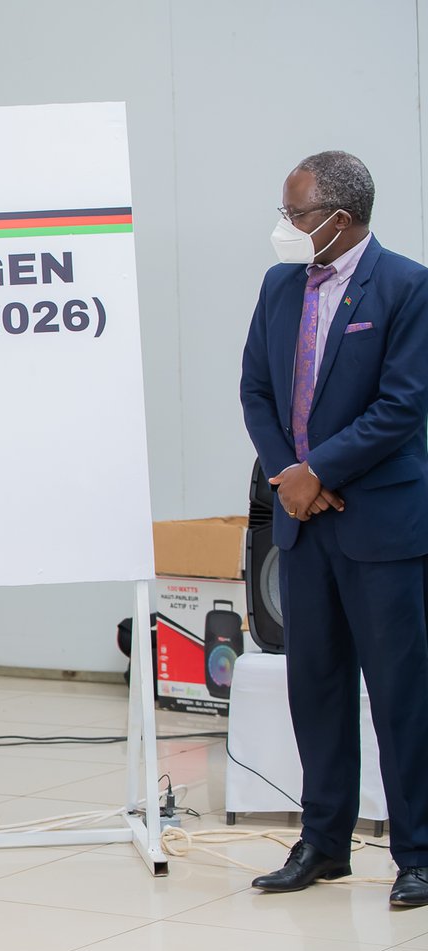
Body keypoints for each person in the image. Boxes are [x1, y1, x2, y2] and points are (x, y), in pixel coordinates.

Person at [239, 150, 428, 907]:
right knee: (314, 689)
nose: (285, 227)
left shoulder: (407, 286)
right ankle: (323, 844)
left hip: (380, 527)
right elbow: (255, 389)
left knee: (400, 693)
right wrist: (291, 475)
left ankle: (417, 852)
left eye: (296, 214)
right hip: (303, 524)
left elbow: (403, 403)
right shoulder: (281, 285)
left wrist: (325, 471)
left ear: (339, 221)